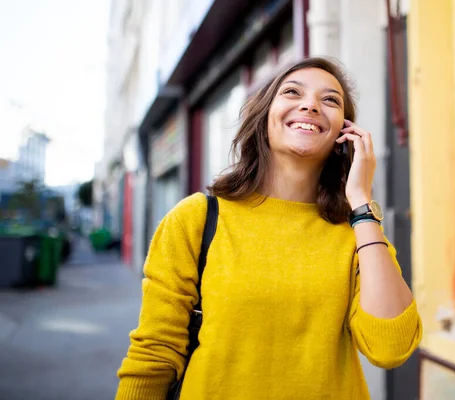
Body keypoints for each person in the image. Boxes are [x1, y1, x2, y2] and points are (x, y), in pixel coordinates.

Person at [116, 57, 422, 400]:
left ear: (343, 134)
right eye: (293, 92)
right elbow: (154, 353)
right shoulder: (196, 219)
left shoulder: (359, 234)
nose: (310, 105)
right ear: (263, 119)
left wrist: (362, 205)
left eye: (330, 100)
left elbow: (390, 347)